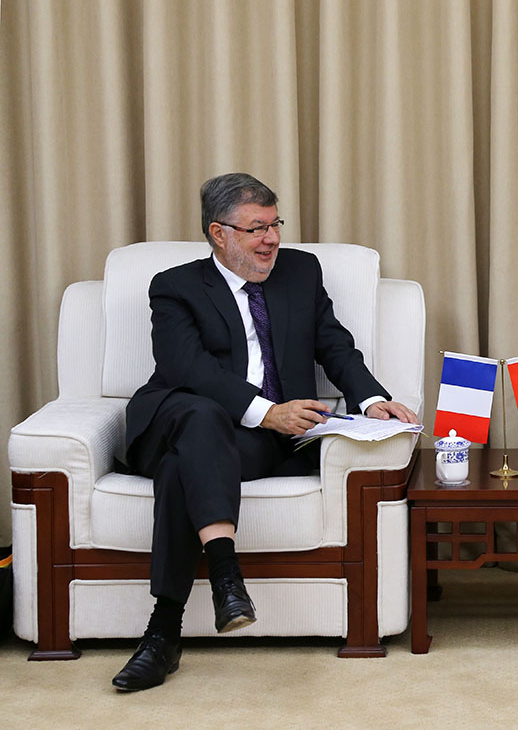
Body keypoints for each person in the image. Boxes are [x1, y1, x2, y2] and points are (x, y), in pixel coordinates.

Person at [112, 173, 418, 691]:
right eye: (256, 228)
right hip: (175, 418)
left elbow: (333, 343)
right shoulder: (175, 286)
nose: (271, 239)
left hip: (245, 443)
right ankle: (225, 573)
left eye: (275, 224)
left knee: (183, 467)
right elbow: (188, 368)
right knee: (201, 415)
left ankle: (163, 633)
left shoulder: (300, 271)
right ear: (219, 233)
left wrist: (372, 399)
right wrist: (267, 411)